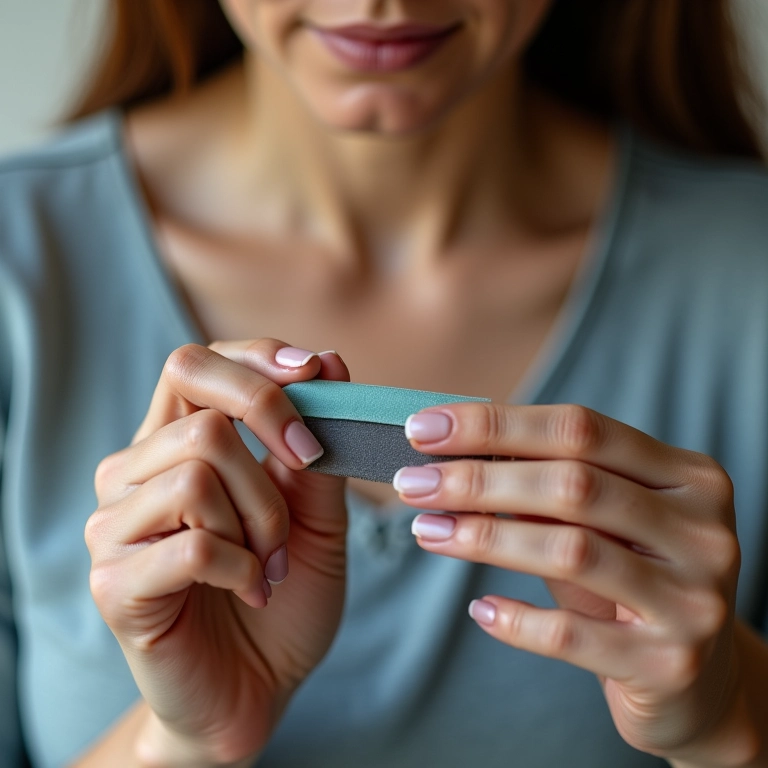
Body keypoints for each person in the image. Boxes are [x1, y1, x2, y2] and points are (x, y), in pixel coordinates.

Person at [1, 0, 767, 765]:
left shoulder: (744, 273)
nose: (383, 4)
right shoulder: (20, 270)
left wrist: (729, 723)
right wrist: (176, 742)